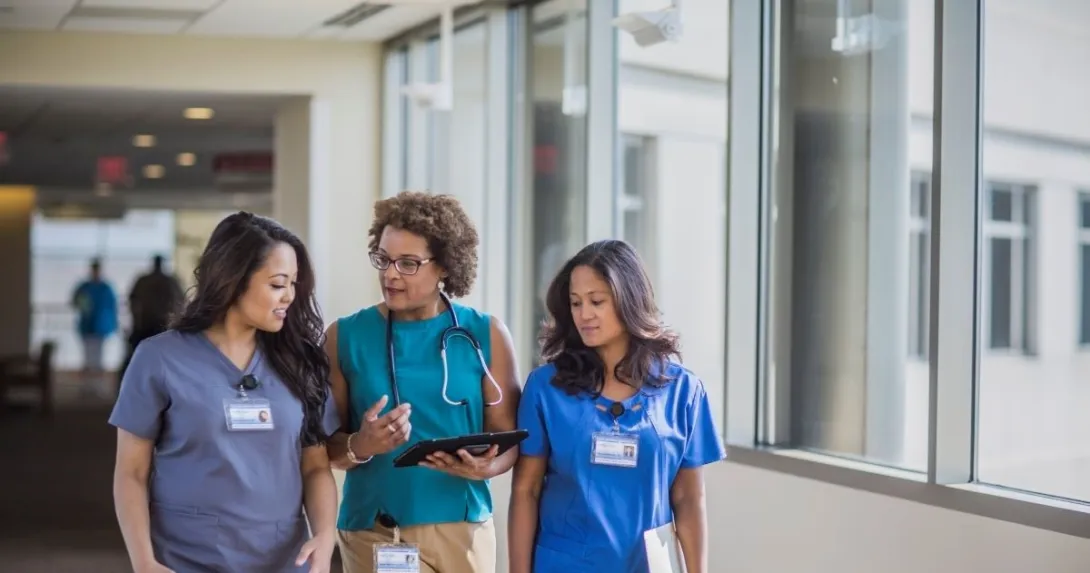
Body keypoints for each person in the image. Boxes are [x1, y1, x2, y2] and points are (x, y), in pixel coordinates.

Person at [109, 212, 341, 573]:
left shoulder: (299, 361)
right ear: (233, 280)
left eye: (294, 284)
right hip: (184, 559)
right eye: (278, 284)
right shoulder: (159, 358)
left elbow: (315, 466)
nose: (290, 297)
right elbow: (131, 472)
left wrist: (325, 539)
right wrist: (143, 562)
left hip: (281, 561)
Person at [325, 191, 522, 573]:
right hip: (375, 528)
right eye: (383, 259)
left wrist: (486, 468)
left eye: (409, 263)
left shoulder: (485, 334)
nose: (390, 274)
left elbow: (509, 440)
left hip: (460, 528)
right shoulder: (344, 336)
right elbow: (324, 448)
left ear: (445, 266)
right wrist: (361, 444)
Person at [508, 239, 726, 573]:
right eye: (576, 303)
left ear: (630, 301)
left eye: (597, 301)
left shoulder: (683, 391)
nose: (584, 314)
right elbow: (526, 490)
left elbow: (688, 498)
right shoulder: (546, 388)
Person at [121, 255, 185, 383]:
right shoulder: (170, 281)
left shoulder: (145, 281)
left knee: (134, 359)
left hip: (147, 325)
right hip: (160, 326)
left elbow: (133, 301)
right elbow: (180, 303)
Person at [71, 258, 119, 392]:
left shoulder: (105, 288)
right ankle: (88, 385)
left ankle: (96, 385)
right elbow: (75, 301)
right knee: (88, 355)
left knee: (98, 356)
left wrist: (114, 324)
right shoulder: (85, 287)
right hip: (88, 326)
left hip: (101, 327)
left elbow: (112, 307)